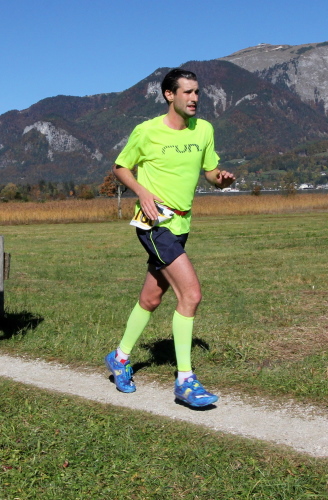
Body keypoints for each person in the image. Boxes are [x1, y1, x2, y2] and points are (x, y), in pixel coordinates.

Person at [104, 68, 235, 407]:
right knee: (191, 294)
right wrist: (141, 191)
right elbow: (120, 167)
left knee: (151, 298)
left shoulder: (203, 130)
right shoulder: (146, 131)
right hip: (154, 223)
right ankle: (185, 381)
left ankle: (119, 358)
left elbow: (209, 172)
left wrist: (221, 180)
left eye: (197, 92)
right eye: (187, 92)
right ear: (169, 95)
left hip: (182, 224)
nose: (194, 98)